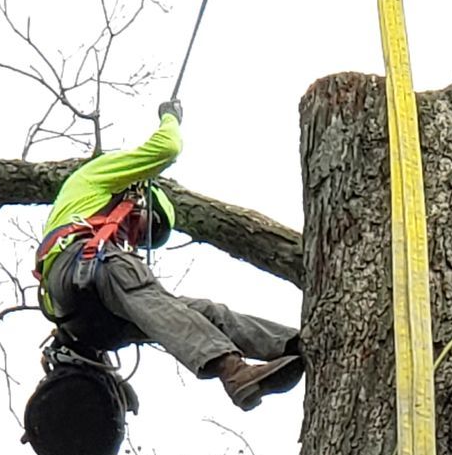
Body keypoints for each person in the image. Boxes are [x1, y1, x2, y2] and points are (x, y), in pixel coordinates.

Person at [35, 104, 306, 413]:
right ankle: (233, 371)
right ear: (135, 197)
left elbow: (162, 310)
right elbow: (168, 146)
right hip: (77, 267)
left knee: (198, 311)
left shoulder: (100, 233)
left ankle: (294, 344)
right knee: (135, 281)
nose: (137, 238)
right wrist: (170, 117)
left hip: (91, 322)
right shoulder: (96, 177)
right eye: (147, 226)